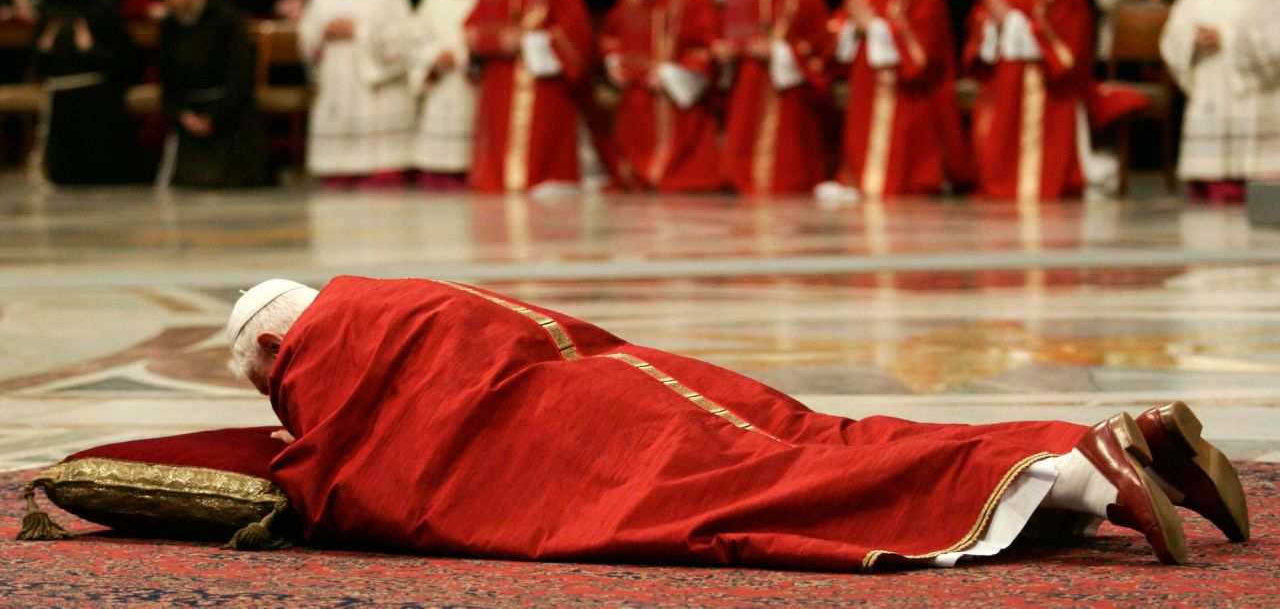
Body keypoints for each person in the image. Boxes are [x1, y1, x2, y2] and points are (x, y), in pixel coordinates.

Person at [226, 275, 1250, 569]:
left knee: (794, 491)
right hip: (637, 382)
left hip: (595, 451)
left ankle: (1084, 473)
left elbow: (368, 478)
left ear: (279, 354)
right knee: (820, 440)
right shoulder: (398, 300)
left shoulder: (332, 365)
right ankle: (1117, 440)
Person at [829, 0, 969, 197]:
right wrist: (851, 29)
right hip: (868, 83)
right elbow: (839, 24)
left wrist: (874, 26)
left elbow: (924, 41)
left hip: (909, 89)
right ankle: (862, 178)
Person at [962, 0, 1094, 200]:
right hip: (1005, 77)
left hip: (1046, 82)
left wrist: (1011, 20)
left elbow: (1067, 36)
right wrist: (990, 26)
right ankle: (1001, 183)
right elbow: (979, 22)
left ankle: (1036, 184)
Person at [464, 0, 594, 193]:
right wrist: (500, 41)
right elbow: (472, 29)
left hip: (542, 82)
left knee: (541, 147)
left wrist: (528, 42)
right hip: (501, 81)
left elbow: (575, 35)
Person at [1160, 0, 1280, 203]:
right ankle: (1209, 178)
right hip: (1209, 83)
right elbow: (1171, 35)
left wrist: (1226, 38)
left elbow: (1275, 39)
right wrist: (1191, 40)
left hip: (1251, 89)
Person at [601, 0, 722, 192]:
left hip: (674, 97)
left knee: (682, 175)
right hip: (636, 94)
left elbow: (707, 46)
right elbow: (611, 34)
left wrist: (670, 74)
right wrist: (614, 62)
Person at [297, 0, 415, 188]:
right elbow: (307, 38)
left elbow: (403, 43)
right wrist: (324, 33)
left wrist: (359, 31)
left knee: (381, 172)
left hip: (373, 89)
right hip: (338, 83)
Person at [719, 0, 831, 195]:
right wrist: (726, 50)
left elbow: (819, 45)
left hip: (785, 88)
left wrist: (778, 52)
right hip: (748, 81)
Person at [30, 0, 141, 185]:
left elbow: (126, 59)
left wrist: (92, 52)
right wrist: (44, 51)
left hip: (97, 101)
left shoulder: (103, 4)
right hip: (61, 101)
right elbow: (39, 63)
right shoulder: (50, 6)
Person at [155, 0, 273, 188]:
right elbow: (167, 79)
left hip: (226, 110)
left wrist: (214, 117)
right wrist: (183, 115)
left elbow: (240, 75)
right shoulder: (170, 26)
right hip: (189, 110)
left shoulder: (225, 20)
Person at [408, 0, 482, 189]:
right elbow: (416, 36)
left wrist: (460, 57)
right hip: (440, 80)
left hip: (472, 82)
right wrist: (434, 55)